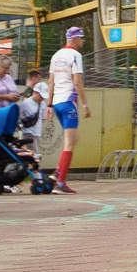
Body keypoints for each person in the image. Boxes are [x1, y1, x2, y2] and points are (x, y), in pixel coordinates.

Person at [46, 27, 86, 193]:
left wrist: (49, 104)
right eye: (81, 38)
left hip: (57, 102)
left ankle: (57, 173)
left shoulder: (56, 55)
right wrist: (85, 104)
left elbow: (51, 82)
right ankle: (61, 182)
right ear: (74, 39)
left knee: (73, 140)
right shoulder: (76, 55)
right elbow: (77, 82)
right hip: (69, 101)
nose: (83, 41)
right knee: (70, 143)